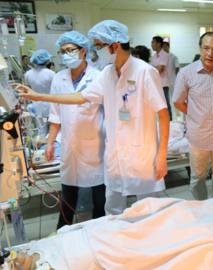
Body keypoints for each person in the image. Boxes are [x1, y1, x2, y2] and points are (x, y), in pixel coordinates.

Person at [15, 20, 170, 215]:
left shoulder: (145, 71)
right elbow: (81, 97)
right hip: (115, 155)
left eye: (98, 46)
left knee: (150, 210)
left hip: (143, 154)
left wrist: (162, 155)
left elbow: (163, 114)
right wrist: (38, 96)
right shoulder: (107, 73)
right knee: (113, 209)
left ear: (114, 45)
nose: (95, 52)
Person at [11, 185, 213, 270]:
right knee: (201, 232)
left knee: (190, 215)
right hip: (110, 244)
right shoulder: (51, 258)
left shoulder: (36, 249)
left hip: (116, 232)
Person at [46, 31, 105, 229]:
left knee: (99, 193)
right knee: (68, 191)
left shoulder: (98, 77)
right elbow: (55, 114)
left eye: (70, 50)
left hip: (95, 143)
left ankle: (100, 229)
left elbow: (108, 112)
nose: (66, 55)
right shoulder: (58, 78)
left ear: (83, 51)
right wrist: (50, 142)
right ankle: (62, 229)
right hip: (69, 143)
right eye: (63, 51)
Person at [173, 32, 213, 200]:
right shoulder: (187, 73)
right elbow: (178, 101)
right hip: (198, 135)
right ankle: (200, 208)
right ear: (200, 49)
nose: (210, 54)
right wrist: (195, 113)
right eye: (206, 48)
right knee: (198, 177)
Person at [151, 35, 172, 120]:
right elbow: (154, 69)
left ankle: (170, 121)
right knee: (158, 104)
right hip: (155, 83)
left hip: (163, 84)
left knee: (165, 104)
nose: (151, 44)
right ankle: (162, 120)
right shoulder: (154, 56)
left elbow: (160, 69)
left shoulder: (164, 55)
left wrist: (153, 69)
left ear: (159, 43)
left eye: (153, 42)